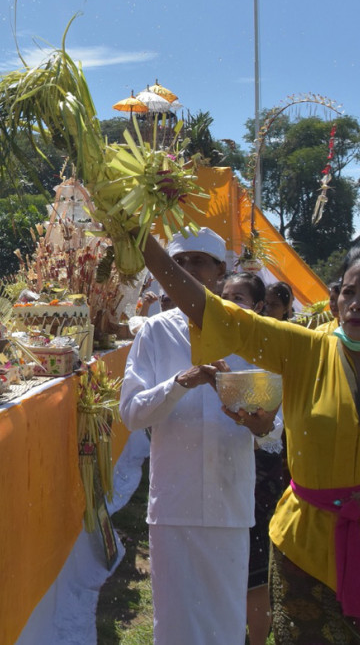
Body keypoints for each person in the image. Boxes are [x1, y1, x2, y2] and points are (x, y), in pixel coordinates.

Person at [139, 234, 360, 644]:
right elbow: (217, 314)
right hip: (302, 554)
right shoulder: (303, 351)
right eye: (347, 292)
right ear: (333, 301)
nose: (356, 303)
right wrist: (142, 243)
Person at [118, 228, 278, 644]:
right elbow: (132, 414)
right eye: (179, 263)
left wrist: (263, 426)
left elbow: (273, 425)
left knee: (225, 620)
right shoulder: (154, 333)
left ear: (221, 271)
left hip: (230, 501)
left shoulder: (249, 330)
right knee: (173, 622)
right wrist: (179, 383)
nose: (187, 271)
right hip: (174, 503)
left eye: (198, 262)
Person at [223, 272, 285, 645]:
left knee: (255, 572)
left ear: (260, 306)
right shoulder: (207, 345)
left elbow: (284, 422)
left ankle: (257, 641)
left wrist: (262, 429)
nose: (230, 304)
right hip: (221, 474)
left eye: (240, 298)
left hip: (261, 470)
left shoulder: (273, 349)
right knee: (226, 567)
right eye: (224, 296)